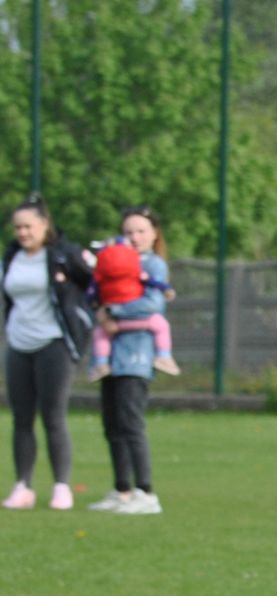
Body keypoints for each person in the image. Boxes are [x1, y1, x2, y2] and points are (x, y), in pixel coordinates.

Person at [3, 195, 94, 511]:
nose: (23, 233)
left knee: (53, 416)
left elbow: (93, 283)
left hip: (53, 343)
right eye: (18, 227)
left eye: (28, 226)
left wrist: (90, 315)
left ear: (44, 225)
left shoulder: (62, 256)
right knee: (21, 418)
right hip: (18, 343)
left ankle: (61, 487)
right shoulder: (12, 257)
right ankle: (23, 486)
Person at [87, 207, 174, 516]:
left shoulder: (154, 266)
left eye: (141, 231)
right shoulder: (114, 261)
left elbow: (153, 304)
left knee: (131, 422)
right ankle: (122, 489)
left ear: (154, 234)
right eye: (129, 232)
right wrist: (99, 309)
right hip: (110, 355)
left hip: (136, 355)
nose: (135, 237)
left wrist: (114, 313)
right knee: (111, 423)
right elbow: (97, 295)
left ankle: (146, 492)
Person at [85, 234, 179, 382]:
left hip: (112, 323)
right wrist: (166, 288)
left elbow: (91, 296)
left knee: (100, 334)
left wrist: (102, 309)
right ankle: (164, 356)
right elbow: (152, 284)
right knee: (161, 324)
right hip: (141, 322)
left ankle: (101, 363)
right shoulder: (137, 273)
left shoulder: (101, 279)